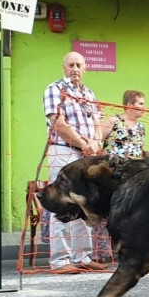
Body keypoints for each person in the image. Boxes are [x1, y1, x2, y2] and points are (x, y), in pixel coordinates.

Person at [43, 51, 107, 273]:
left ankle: (83, 256)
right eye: (71, 64)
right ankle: (60, 261)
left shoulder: (89, 93)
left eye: (79, 64)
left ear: (85, 67)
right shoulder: (54, 89)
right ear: (63, 67)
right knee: (61, 202)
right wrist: (83, 143)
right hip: (64, 152)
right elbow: (57, 123)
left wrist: (95, 143)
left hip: (87, 154)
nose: (75, 69)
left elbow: (98, 123)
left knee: (85, 202)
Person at [93, 90, 149, 263]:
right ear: (130, 105)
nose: (144, 108)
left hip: (133, 175)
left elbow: (137, 150)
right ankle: (100, 252)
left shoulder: (140, 127)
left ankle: (129, 249)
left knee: (131, 212)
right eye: (141, 104)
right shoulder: (113, 121)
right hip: (113, 175)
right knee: (107, 212)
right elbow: (95, 141)